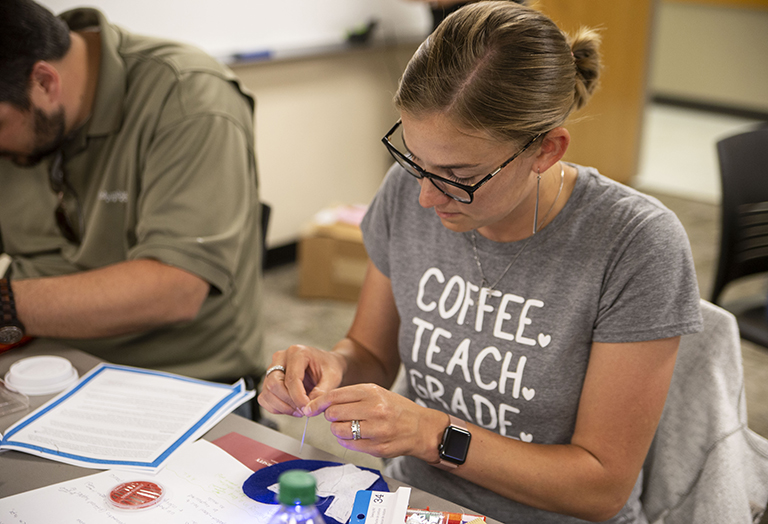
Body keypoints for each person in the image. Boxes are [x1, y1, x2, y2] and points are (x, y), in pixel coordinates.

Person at [260, 2, 704, 522]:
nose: (426, 196)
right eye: (416, 161)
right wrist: (332, 367)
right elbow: (370, 352)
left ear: (546, 151)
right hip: (412, 502)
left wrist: (432, 434)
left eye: (457, 174)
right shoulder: (407, 193)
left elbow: (601, 486)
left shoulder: (635, 243)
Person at [0, 1, 264, 390]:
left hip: (177, 382)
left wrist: (7, 306)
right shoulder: (18, 114)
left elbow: (174, 289)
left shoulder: (189, 98)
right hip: (37, 362)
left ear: (44, 83)